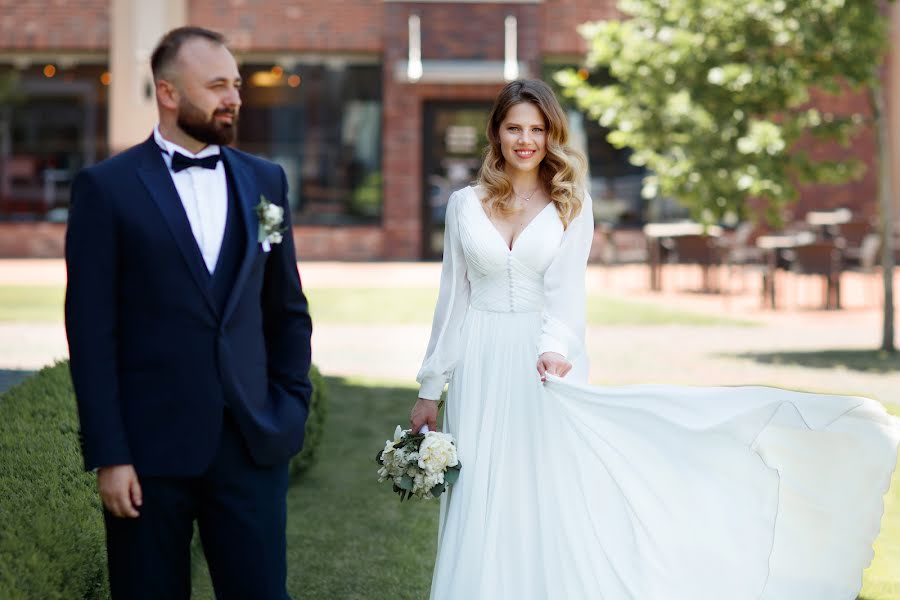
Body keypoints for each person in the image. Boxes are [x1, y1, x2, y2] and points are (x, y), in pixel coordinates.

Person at [410, 79, 900, 600]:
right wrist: (430, 385)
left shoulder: (569, 204)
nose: (525, 140)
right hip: (480, 366)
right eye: (514, 128)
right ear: (497, 133)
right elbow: (453, 300)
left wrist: (555, 348)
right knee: (479, 489)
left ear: (552, 134)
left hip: (541, 364)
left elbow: (566, 295)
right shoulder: (464, 205)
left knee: (541, 489)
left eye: (537, 128)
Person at [64, 26, 312, 599]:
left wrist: (291, 405)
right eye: (218, 85)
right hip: (149, 456)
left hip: (251, 444)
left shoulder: (266, 182)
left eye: (237, 84)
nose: (235, 98)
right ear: (169, 93)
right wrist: (110, 455)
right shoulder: (106, 189)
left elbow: (287, 309)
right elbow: (92, 333)